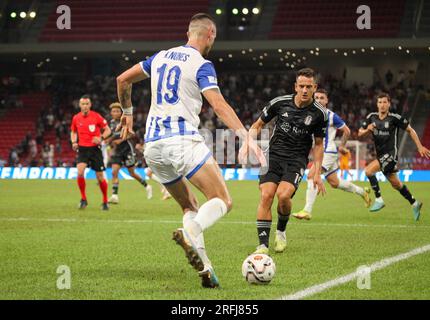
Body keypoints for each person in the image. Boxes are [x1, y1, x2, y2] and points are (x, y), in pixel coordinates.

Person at [116, 13, 264, 288]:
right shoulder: (202, 64)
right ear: (210, 35)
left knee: (189, 205)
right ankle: (191, 229)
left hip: (153, 148)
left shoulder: (159, 57)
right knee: (222, 200)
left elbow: (123, 79)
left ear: (188, 33)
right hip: (181, 141)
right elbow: (218, 105)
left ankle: (206, 270)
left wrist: (127, 112)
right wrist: (247, 136)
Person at [245, 68, 328, 255]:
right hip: (272, 156)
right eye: (301, 86)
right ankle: (263, 245)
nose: (305, 90)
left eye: (309, 86)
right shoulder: (279, 103)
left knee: (283, 196)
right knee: (266, 195)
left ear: (315, 87)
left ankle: (281, 231)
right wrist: (247, 143)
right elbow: (257, 125)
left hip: (296, 159)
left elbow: (319, 144)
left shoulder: (319, 114)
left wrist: (317, 171)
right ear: (295, 87)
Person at [293, 89, 371, 220]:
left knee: (312, 175)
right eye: (316, 97)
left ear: (326, 101)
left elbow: (346, 131)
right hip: (320, 152)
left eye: (321, 98)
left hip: (328, 151)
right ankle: (362, 192)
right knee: (334, 182)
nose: (318, 100)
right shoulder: (308, 114)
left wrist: (342, 146)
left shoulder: (330, 115)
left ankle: (307, 210)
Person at [359, 92, 430, 220]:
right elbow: (360, 133)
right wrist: (368, 129)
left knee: (368, 171)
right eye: (380, 102)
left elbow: (410, 130)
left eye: (385, 102)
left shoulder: (395, 118)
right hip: (380, 156)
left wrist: (419, 146)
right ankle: (415, 203)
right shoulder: (371, 117)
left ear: (389, 104)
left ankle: (379, 199)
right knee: (396, 184)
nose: (382, 105)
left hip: (391, 154)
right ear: (377, 104)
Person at [70, 95, 111, 210]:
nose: (85, 106)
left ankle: (105, 201)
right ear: (79, 105)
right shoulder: (76, 118)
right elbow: (73, 132)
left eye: (87, 104)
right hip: (82, 149)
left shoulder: (96, 116)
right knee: (80, 172)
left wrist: (101, 138)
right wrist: (74, 142)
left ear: (90, 105)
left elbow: (108, 130)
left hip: (95, 149)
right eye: (83, 104)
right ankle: (83, 199)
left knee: (100, 177)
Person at [106, 102, 153, 203]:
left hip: (127, 150)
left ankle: (147, 186)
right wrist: (108, 142)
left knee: (132, 173)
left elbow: (132, 134)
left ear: (121, 112)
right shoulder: (111, 123)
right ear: (111, 113)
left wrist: (120, 140)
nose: (115, 113)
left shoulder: (126, 121)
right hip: (117, 152)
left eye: (117, 111)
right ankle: (114, 195)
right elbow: (111, 136)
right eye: (113, 111)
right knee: (114, 172)